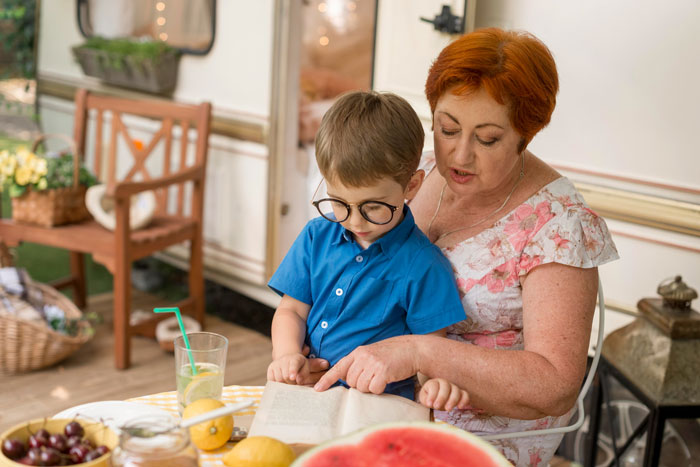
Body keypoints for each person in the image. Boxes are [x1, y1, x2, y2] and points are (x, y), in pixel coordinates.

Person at [313, 28, 619, 466]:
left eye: (488, 138)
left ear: (525, 134)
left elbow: (555, 385)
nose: (458, 155)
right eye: (447, 127)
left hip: (477, 439)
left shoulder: (558, 225)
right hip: (376, 406)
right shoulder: (416, 171)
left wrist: (419, 352)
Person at [267, 91, 468, 409]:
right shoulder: (316, 236)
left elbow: (431, 353)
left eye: (373, 207)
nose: (355, 221)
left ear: (412, 186)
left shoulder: (425, 267)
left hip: (376, 405)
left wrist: (437, 386)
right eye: (339, 203)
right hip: (306, 394)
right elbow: (291, 310)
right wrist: (286, 354)